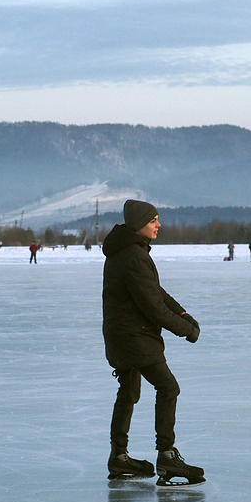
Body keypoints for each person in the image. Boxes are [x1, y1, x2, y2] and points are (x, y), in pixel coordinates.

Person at [102, 200, 204, 486]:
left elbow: (155, 291)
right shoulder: (133, 255)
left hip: (123, 336)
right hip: (135, 338)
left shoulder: (127, 252)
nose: (158, 225)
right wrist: (187, 330)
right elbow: (152, 306)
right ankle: (167, 456)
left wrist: (182, 313)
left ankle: (119, 457)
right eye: (153, 220)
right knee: (168, 387)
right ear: (139, 225)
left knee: (129, 391)